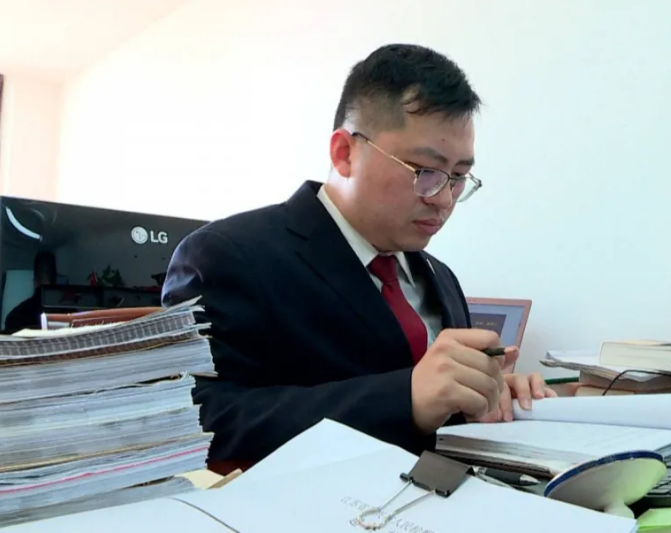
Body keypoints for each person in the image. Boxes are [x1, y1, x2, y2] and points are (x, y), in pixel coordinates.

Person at [162, 44, 554, 470]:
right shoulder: (227, 255)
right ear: (344, 153)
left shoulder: (441, 277)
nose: (443, 199)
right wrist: (404, 399)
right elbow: (194, 419)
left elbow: (436, 409)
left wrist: (482, 395)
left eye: (458, 177)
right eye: (425, 172)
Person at [5, 251, 57, 333]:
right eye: (43, 271)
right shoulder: (67, 316)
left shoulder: (14, 316)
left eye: (46, 272)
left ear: (35, 281)